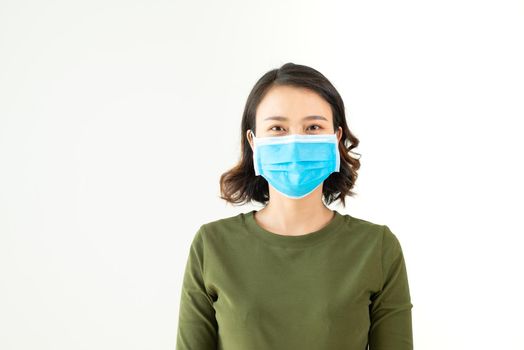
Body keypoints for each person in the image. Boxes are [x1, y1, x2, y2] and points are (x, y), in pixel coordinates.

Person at [175, 62, 413, 350]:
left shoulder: (377, 248)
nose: (294, 142)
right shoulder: (212, 246)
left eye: (313, 127)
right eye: (277, 128)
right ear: (253, 141)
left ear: (336, 138)